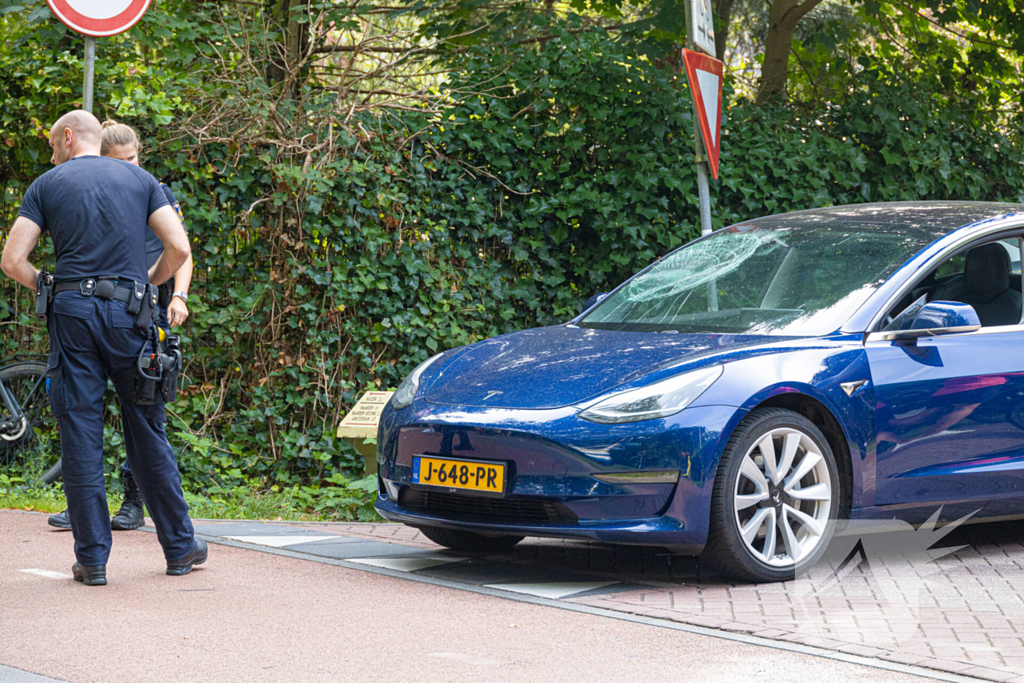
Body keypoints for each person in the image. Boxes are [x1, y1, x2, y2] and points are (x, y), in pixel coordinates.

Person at [1, 110, 207, 586]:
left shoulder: (47, 185)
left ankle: (92, 560)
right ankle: (179, 548)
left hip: (72, 315)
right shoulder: (142, 180)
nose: (53, 154)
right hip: (130, 315)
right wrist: (146, 287)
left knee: (80, 430)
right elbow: (177, 249)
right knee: (145, 428)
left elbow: (13, 260)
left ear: (69, 138)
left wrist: (49, 290)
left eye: (54, 144)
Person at [46, 119, 194, 533]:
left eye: (133, 158)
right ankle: (162, 537)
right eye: (121, 160)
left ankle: (131, 503)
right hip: (124, 307)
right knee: (106, 416)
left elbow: (182, 249)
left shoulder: (151, 187)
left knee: (143, 416)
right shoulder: (99, 184)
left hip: (145, 309)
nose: (129, 165)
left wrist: (170, 292)